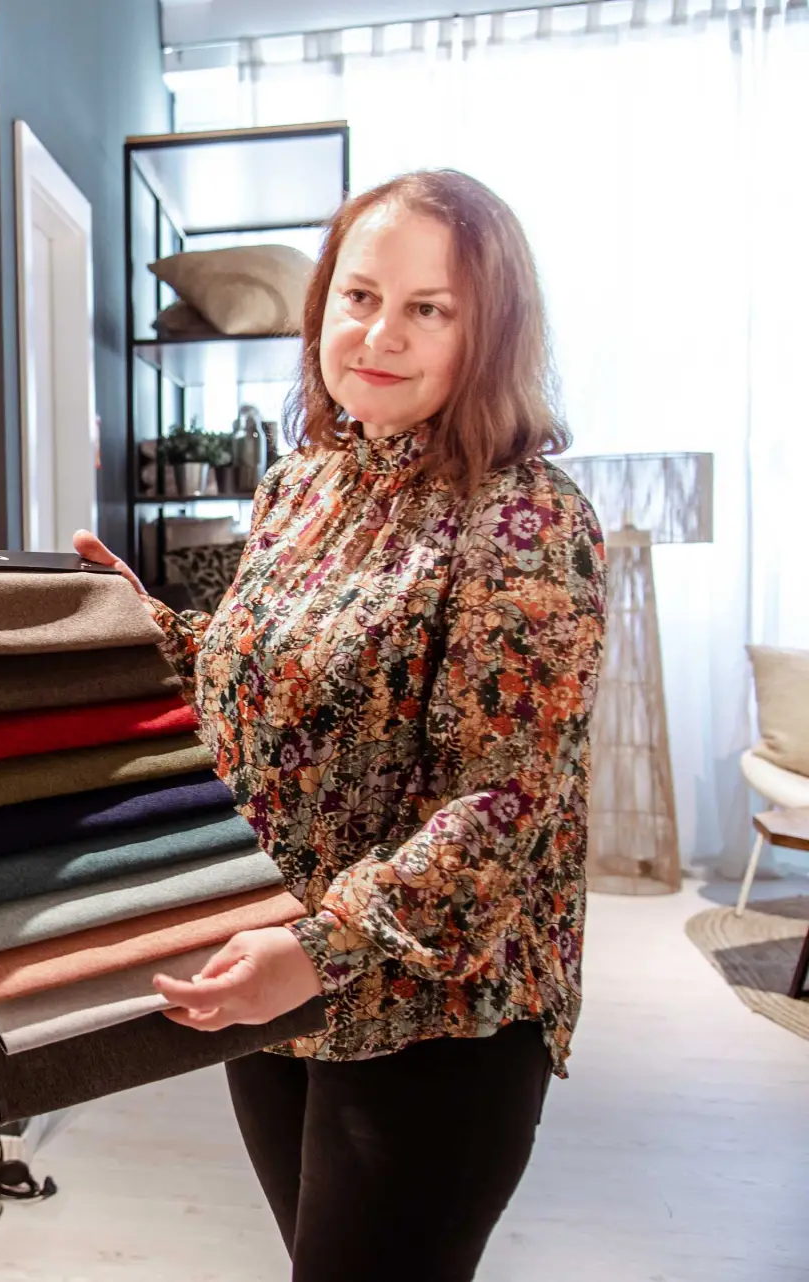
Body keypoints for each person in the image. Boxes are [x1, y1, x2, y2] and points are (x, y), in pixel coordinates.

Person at [77, 169, 607, 1282]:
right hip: (278, 979)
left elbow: (503, 803)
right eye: (360, 296)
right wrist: (146, 628)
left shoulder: (525, 514)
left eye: (429, 308)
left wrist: (318, 952)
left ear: (491, 332)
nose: (380, 333)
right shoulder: (301, 486)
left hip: (435, 1010)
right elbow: (267, 684)